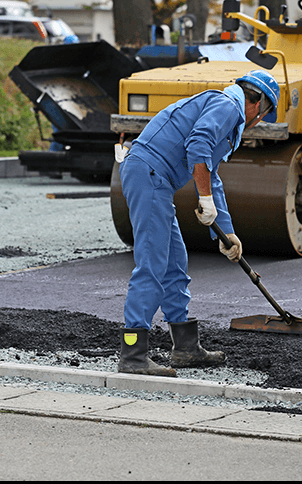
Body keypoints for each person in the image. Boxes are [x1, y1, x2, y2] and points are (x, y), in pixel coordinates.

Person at [117, 70, 280, 377]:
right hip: (148, 173)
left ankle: (185, 348)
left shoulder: (225, 111)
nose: (259, 122)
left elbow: (212, 175)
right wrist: (203, 198)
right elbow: (198, 147)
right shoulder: (228, 106)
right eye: (264, 115)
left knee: (175, 264)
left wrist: (226, 232)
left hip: (155, 179)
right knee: (152, 263)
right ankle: (133, 354)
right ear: (259, 106)